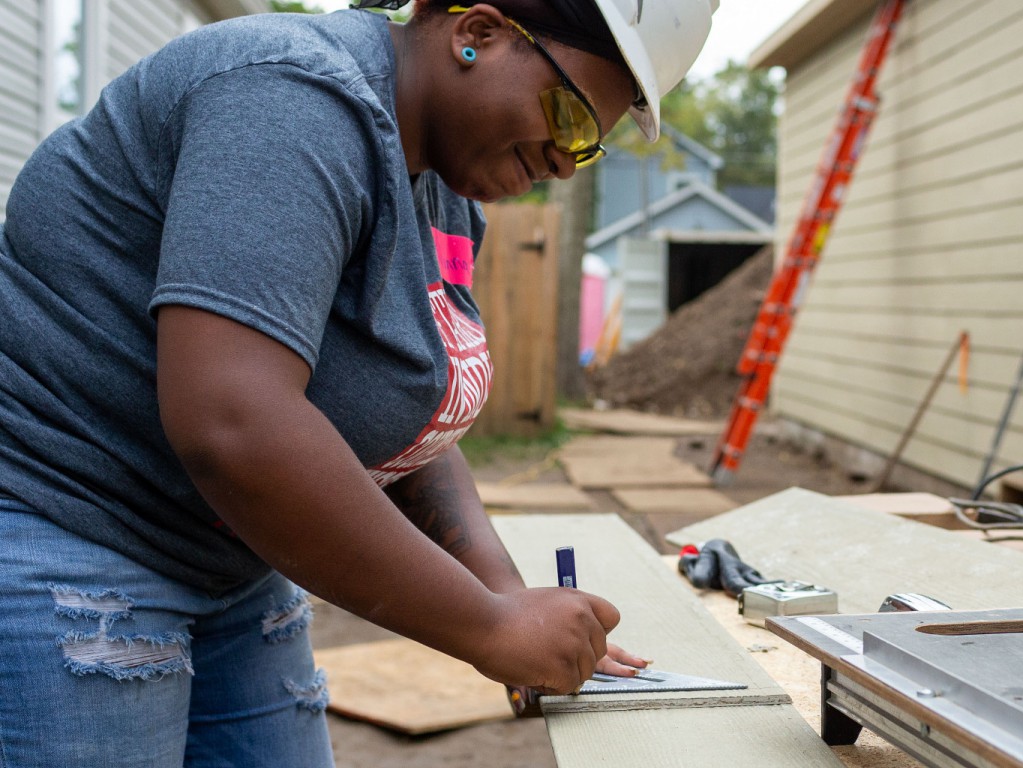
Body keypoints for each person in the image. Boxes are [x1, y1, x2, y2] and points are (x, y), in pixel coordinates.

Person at [0, 0, 715, 764]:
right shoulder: (289, 98)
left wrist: (506, 595)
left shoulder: (442, 183)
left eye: (589, 146)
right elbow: (234, 423)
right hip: (73, 532)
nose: (565, 161)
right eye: (570, 119)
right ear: (479, 33)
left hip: (230, 562)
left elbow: (404, 415)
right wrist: (489, 627)